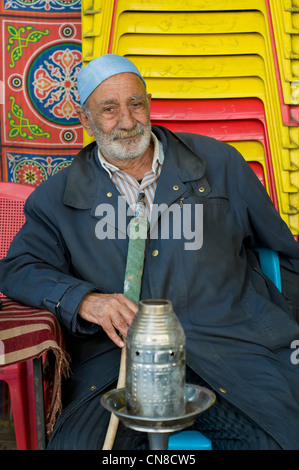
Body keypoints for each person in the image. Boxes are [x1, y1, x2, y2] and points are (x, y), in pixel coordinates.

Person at [0, 54, 299, 451]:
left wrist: (282, 336)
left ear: (149, 104)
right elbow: (18, 267)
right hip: (119, 366)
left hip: (231, 349)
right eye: (109, 109)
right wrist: (85, 301)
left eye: (135, 103)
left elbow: (284, 255)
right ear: (85, 120)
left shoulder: (219, 165)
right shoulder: (58, 198)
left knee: (278, 440)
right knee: (80, 445)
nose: (127, 121)